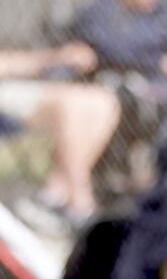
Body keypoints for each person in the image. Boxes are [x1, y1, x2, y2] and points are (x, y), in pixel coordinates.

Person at [0, 45, 120, 228]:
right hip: (7, 88)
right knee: (70, 105)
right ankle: (81, 201)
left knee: (104, 102)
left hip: (34, 80)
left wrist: (61, 57)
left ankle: (55, 193)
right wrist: (55, 58)